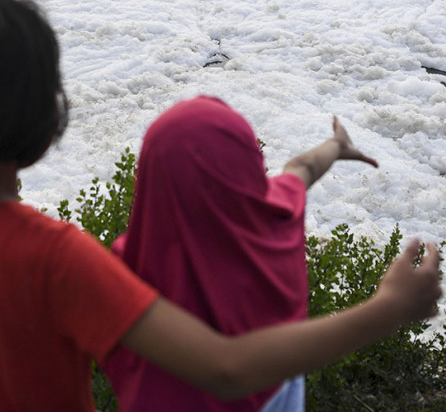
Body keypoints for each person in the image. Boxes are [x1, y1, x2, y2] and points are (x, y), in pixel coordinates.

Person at [0, 0, 442, 412]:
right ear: (41, 118)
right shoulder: (55, 260)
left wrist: (330, 150)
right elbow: (226, 368)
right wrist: (387, 309)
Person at [103, 96, 379, 411]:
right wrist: (336, 145)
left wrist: (336, 144)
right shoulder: (277, 223)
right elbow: (301, 168)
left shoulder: (123, 273)